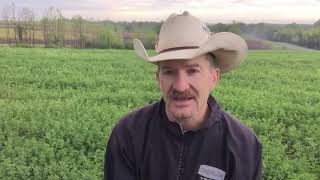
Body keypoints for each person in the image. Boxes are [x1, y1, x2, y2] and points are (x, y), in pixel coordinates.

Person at [104, 11, 262, 180]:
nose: (180, 86)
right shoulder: (129, 133)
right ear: (159, 79)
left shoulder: (244, 145)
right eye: (169, 72)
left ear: (214, 77)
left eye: (192, 71)